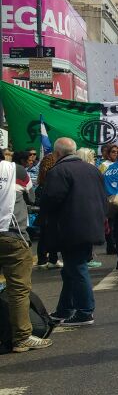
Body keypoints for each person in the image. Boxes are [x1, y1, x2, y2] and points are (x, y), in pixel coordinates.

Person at [37, 138, 107, 327]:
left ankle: (85, 312)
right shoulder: (92, 169)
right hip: (91, 224)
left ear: (57, 153)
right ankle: (65, 309)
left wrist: (43, 219)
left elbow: (51, 199)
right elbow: (103, 195)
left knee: (76, 268)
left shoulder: (58, 171)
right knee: (70, 269)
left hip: (70, 226)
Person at [0, 154, 51, 351]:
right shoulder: (16, 170)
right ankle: (21, 337)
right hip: (12, 235)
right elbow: (31, 197)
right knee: (18, 289)